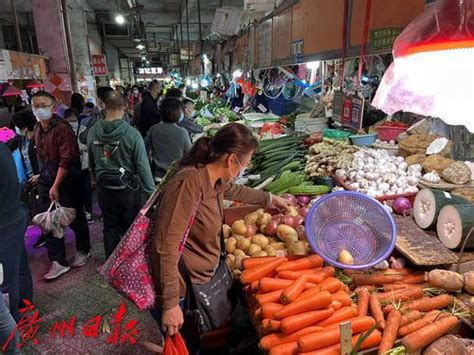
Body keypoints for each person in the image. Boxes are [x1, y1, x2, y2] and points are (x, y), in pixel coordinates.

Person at [151, 123, 291, 352]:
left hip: (199, 282)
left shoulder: (213, 179)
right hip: (181, 291)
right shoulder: (188, 182)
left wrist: (270, 199)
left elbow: (236, 191)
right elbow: (166, 246)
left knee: (197, 343)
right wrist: (170, 304)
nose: (245, 168)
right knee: (184, 348)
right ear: (232, 160)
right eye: (246, 163)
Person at [87, 90, 154, 258]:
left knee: (109, 227)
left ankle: (111, 263)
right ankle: (129, 264)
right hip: (128, 191)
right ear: (124, 106)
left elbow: (91, 162)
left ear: (104, 106)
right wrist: (152, 195)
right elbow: (143, 168)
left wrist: (96, 179)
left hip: (104, 190)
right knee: (130, 229)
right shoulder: (132, 134)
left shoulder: (93, 132)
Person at [32, 91, 91, 280]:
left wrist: (56, 185)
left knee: (74, 216)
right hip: (46, 180)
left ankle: (83, 248)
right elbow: (43, 157)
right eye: (36, 105)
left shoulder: (63, 129)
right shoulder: (38, 128)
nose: (40, 109)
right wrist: (41, 176)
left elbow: (66, 160)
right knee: (47, 220)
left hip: (67, 181)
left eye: (44, 105)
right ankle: (58, 261)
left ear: (53, 107)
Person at [0, 142, 33, 323]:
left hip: (5, 221)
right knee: (19, 265)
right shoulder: (2, 147)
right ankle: (25, 303)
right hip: (15, 214)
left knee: (6, 278)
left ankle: (12, 320)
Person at [12, 109, 45, 248]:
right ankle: (46, 235)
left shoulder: (39, 138)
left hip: (42, 181)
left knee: (45, 211)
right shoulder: (22, 141)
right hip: (31, 181)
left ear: (24, 127)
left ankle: (52, 241)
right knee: (38, 211)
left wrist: (41, 176)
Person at [145, 98, 192, 181]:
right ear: (177, 113)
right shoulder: (182, 132)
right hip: (175, 176)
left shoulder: (154, 129)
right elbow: (189, 154)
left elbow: (145, 148)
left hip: (157, 176)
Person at [64, 109, 94, 224]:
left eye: (74, 120)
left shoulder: (84, 130)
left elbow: (88, 146)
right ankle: (79, 212)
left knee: (86, 190)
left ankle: (89, 212)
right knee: (75, 192)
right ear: (65, 120)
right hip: (71, 168)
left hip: (84, 166)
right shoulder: (64, 133)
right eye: (70, 120)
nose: (73, 122)